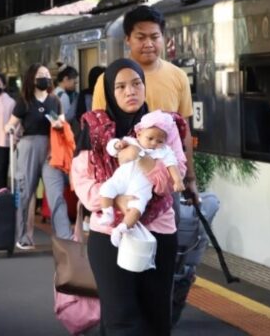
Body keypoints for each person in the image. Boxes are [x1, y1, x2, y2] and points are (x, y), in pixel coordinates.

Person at [72, 59, 187, 334]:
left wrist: (144, 159)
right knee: (120, 316)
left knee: (156, 315)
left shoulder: (163, 126)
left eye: (136, 84)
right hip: (109, 232)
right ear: (110, 92)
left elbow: (173, 178)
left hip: (158, 231)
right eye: (120, 86)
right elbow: (82, 180)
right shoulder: (95, 129)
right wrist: (117, 202)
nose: (130, 91)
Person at [90, 6, 198, 197]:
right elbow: (98, 132)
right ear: (127, 40)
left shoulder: (178, 77)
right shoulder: (106, 80)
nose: (149, 43)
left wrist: (190, 178)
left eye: (155, 37)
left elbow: (185, 132)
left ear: (163, 38)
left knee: (166, 226)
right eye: (141, 37)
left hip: (165, 180)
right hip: (123, 181)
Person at [4, 63, 74, 249]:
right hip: (28, 148)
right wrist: (10, 128)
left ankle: (64, 237)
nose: (45, 78)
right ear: (32, 79)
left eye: (46, 75)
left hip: (52, 149)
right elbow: (10, 124)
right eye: (40, 75)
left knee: (55, 194)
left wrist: (60, 124)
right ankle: (23, 237)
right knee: (25, 192)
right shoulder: (24, 102)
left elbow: (62, 123)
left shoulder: (54, 101)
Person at [98, 110, 186, 244]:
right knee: (106, 189)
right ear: (139, 134)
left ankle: (122, 229)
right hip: (121, 179)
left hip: (141, 186)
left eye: (160, 141)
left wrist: (178, 181)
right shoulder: (132, 142)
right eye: (150, 138)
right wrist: (117, 145)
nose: (154, 143)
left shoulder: (163, 151)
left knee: (137, 208)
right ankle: (107, 213)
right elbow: (111, 147)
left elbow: (172, 165)